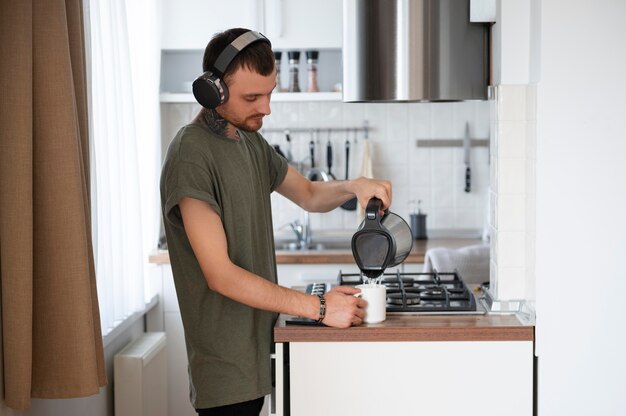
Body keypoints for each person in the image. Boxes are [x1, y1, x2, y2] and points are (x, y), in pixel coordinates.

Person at [160, 28, 392, 416]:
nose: (266, 108)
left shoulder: (250, 141)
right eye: (252, 97)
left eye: (270, 93)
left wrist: (355, 186)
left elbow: (310, 195)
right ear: (212, 91)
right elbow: (221, 275)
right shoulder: (191, 154)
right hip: (225, 369)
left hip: (260, 352)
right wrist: (318, 307)